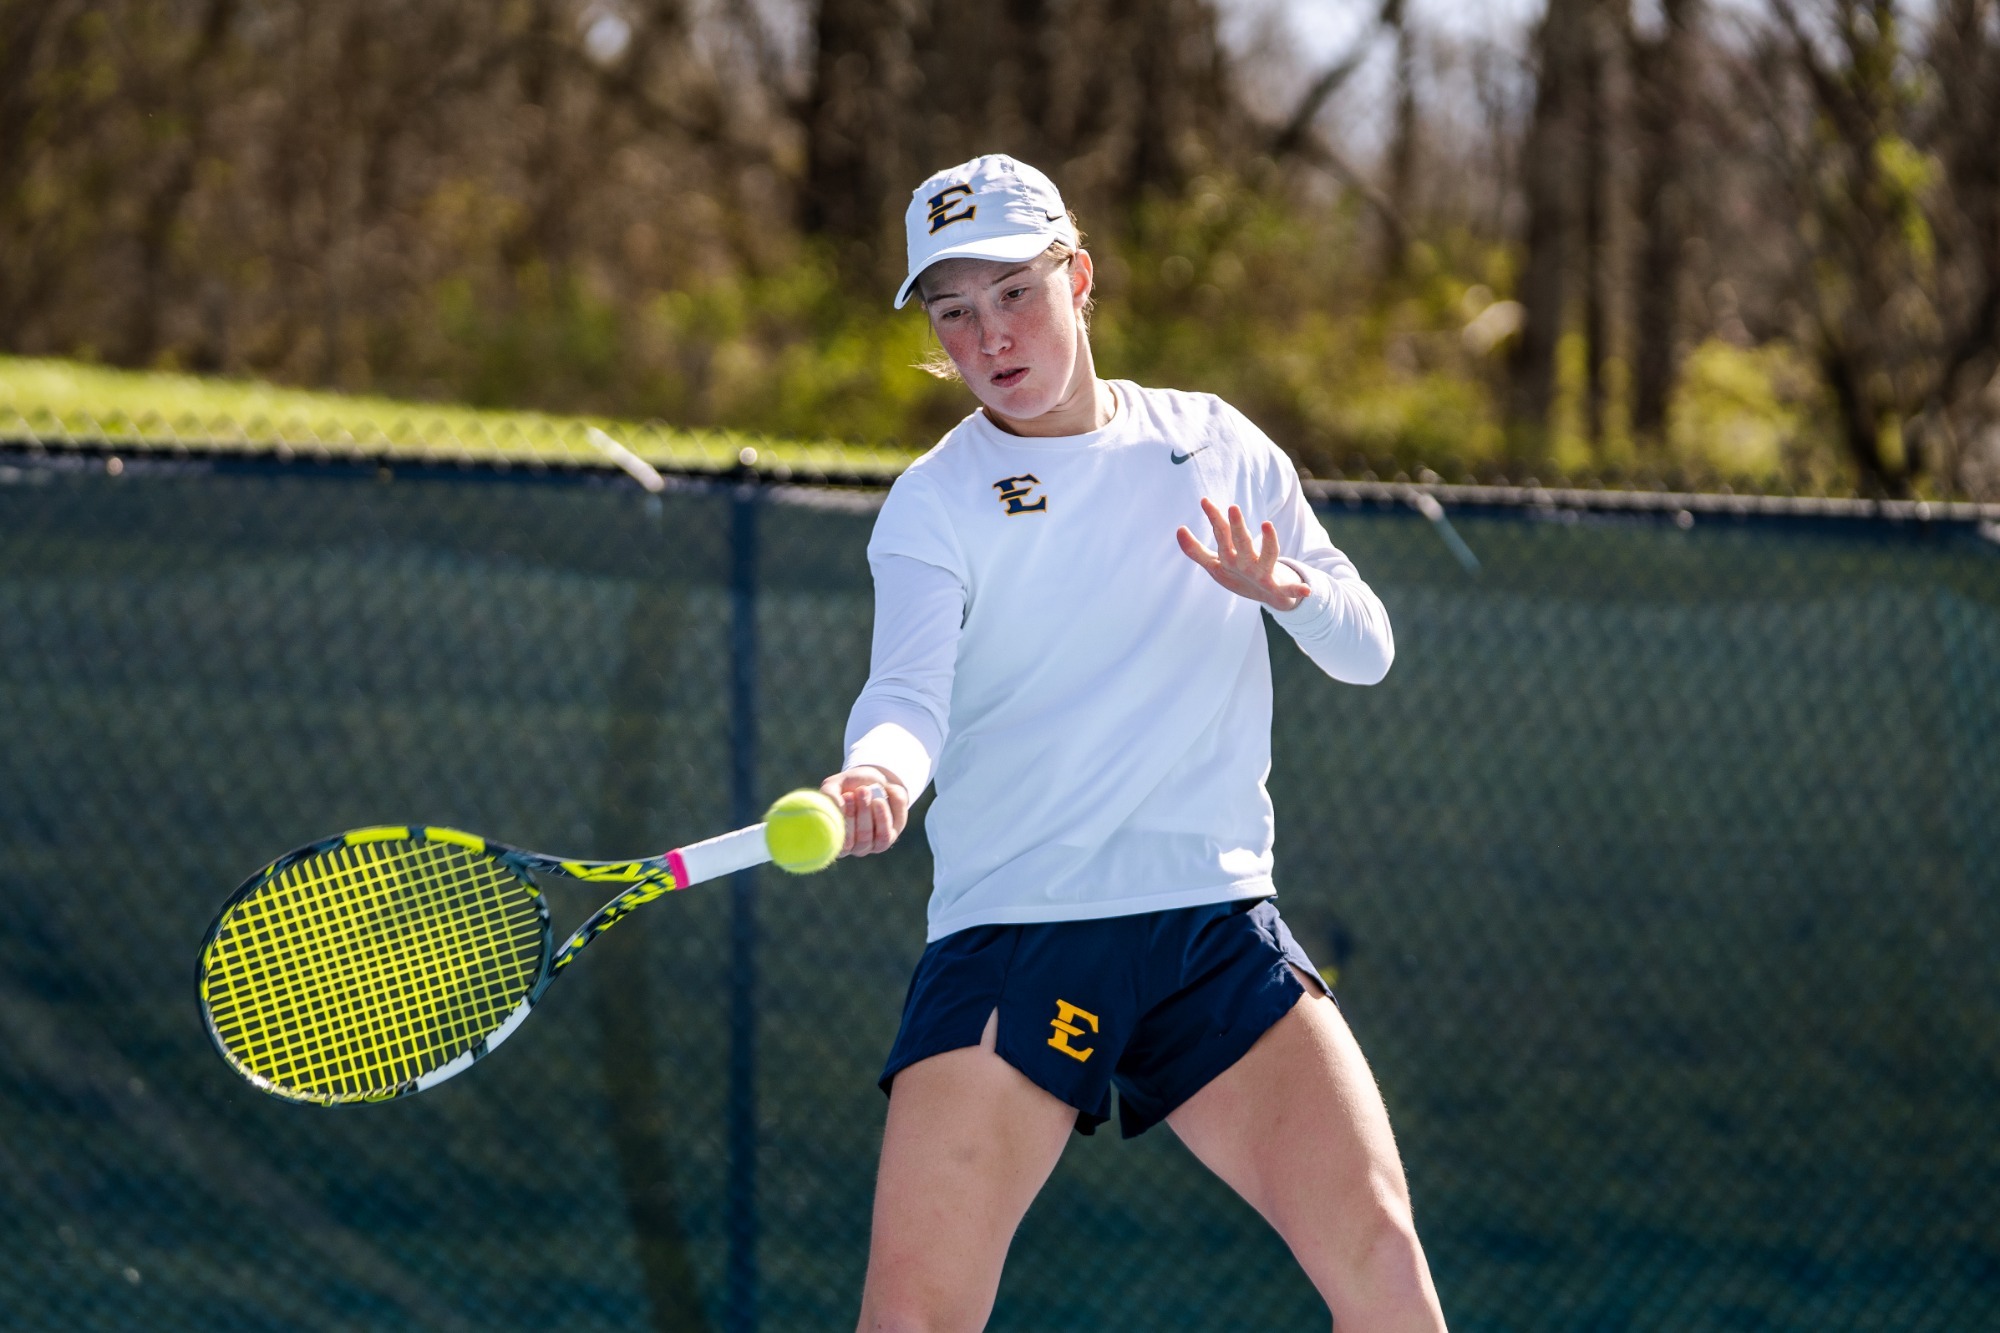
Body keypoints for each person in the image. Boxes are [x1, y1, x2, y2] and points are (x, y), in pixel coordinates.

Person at [820, 154, 1447, 1333]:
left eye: (1013, 292)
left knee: (1382, 1265)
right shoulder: (934, 501)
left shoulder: (1215, 444)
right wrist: (879, 773)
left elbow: (1366, 650)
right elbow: (905, 693)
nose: (988, 335)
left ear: (1080, 277)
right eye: (952, 311)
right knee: (911, 1317)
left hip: (1211, 927)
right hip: (1015, 935)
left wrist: (1287, 590)